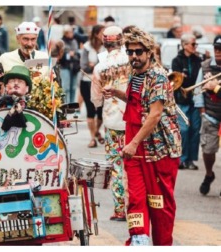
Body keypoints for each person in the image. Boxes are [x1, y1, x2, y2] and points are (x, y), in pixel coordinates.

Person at [105, 26, 181, 246]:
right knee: (136, 198)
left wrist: (133, 143)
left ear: (149, 52)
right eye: (130, 52)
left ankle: (162, 245)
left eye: (139, 52)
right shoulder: (135, 73)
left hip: (159, 150)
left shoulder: (158, 76)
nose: (134, 56)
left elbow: (155, 114)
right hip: (135, 147)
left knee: (159, 204)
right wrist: (119, 93)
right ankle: (139, 241)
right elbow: (138, 102)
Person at [91, 26, 129, 221]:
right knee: (136, 165)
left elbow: (96, 100)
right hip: (133, 121)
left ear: (104, 42)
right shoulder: (133, 59)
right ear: (122, 40)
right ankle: (137, 206)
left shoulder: (99, 67)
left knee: (116, 166)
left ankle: (120, 209)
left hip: (113, 121)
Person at [194, 35, 221, 196]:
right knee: (208, 150)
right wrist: (202, 110)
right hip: (210, 114)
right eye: (216, 49)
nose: (218, 53)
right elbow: (197, 90)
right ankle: (209, 174)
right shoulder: (204, 66)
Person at [171, 34, 202, 170]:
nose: (195, 47)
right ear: (184, 45)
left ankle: (191, 160)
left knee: (195, 130)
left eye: (196, 44)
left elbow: (198, 79)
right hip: (181, 100)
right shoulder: (176, 60)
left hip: (195, 100)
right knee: (183, 129)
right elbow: (175, 81)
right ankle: (182, 159)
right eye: (193, 44)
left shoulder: (199, 60)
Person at [80, 24, 106, 148]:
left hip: (101, 82)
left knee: (101, 112)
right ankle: (92, 138)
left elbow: (107, 65)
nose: (104, 35)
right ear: (96, 34)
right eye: (102, 32)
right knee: (90, 110)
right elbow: (84, 66)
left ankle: (96, 131)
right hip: (87, 81)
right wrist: (96, 65)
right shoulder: (86, 47)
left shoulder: (106, 47)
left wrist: (93, 65)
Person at [60, 24, 80, 103]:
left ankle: (72, 104)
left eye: (72, 32)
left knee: (73, 87)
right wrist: (68, 55)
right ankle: (65, 104)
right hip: (64, 66)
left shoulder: (74, 41)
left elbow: (77, 53)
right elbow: (59, 55)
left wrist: (74, 54)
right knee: (65, 87)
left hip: (74, 67)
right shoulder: (61, 42)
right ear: (66, 33)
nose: (72, 34)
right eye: (70, 32)